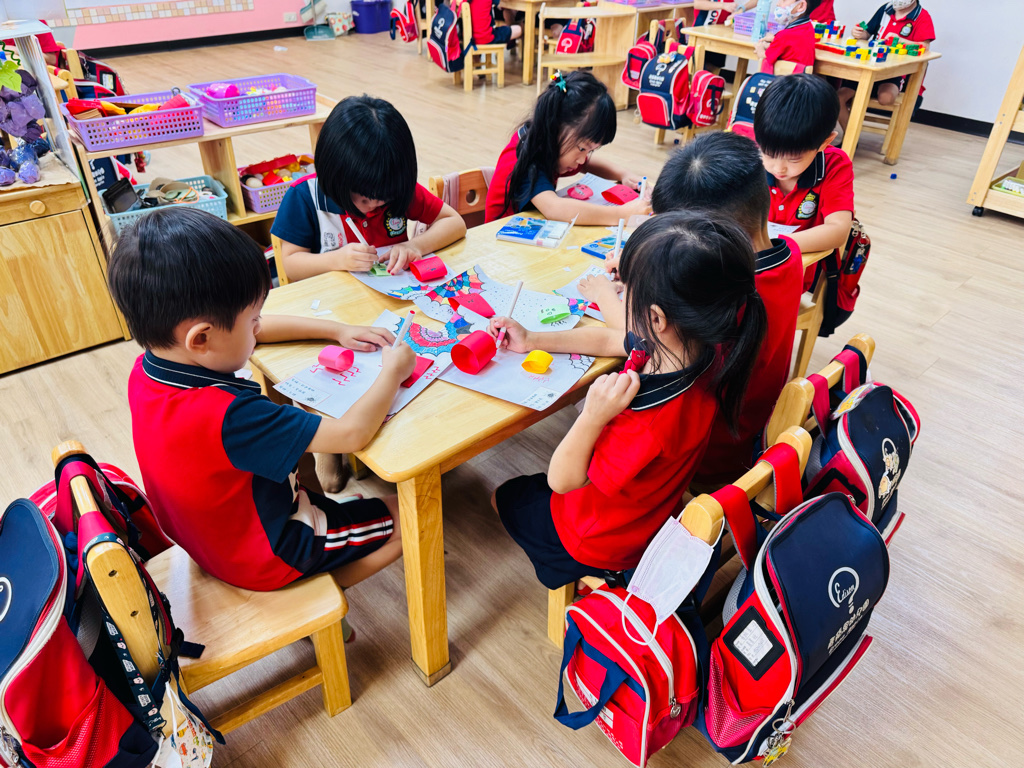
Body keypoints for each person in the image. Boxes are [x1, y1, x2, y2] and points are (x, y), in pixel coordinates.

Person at [108, 208, 414, 595]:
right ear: (201, 339)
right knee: (412, 515)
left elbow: (250, 332)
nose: (259, 328)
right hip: (267, 554)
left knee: (326, 486)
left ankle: (321, 551)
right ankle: (313, 597)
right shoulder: (229, 415)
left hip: (211, 539)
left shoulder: (148, 369)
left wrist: (338, 330)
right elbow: (351, 434)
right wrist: (393, 372)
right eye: (252, 319)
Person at [488, 212, 767, 587]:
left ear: (656, 319)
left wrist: (591, 416)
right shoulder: (704, 351)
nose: (622, 298)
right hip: (644, 512)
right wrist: (532, 339)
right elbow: (612, 338)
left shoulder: (646, 422)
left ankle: (599, 575)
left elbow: (562, 481)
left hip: (594, 541)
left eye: (627, 290)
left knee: (502, 495)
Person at [649, 133, 802, 483]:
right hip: (750, 437)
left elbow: (647, 347)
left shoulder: (721, 294)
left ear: (711, 238)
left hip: (702, 459)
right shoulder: (790, 253)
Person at [271, 95, 466, 282]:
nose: (374, 204)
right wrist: (336, 260)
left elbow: (454, 222)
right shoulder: (304, 196)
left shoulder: (394, 185)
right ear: (336, 178)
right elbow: (291, 264)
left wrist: (414, 246)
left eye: (384, 198)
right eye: (363, 198)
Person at [484, 71, 650, 225]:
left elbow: (587, 164)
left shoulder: (550, 142)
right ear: (556, 128)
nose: (583, 159)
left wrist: (624, 175)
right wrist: (621, 215)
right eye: (582, 148)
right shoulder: (526, 155)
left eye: (590, 151)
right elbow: (554, 208)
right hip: (496, 239)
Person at [754, 73, 854, 288]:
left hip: (797, 273)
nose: (778, 168)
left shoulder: (834, 165)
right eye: (768, 154)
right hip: (749, 267)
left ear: (825, 142)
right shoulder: (751, 157)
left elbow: (838, 231)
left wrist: (772, 246)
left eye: (794, 159)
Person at [838, 0, 936, 130]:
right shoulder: (886, 9)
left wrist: (900, 40)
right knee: (838, 98)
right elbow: (867, 34)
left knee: (886, 98)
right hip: (869, 67)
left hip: (893, 73)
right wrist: (860, 33)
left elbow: (925, 46)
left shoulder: (922, 16)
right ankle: (849, 136)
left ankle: (868, 90)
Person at [754, 0, 822, 71]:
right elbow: (792, 43)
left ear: (801, 6)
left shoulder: (784, 35)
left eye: (784, 0)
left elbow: (765, 59)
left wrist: (760, 48)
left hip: (784, 77)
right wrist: (775, 39)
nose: (778, 4)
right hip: (802, 77)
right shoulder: (808, 27)